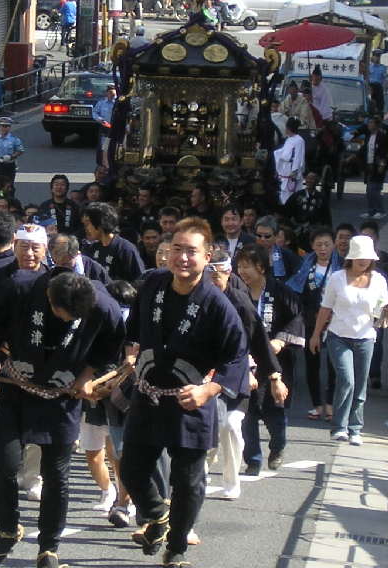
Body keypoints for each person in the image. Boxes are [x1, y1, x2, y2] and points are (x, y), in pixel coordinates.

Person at [0, 265, 125, 568]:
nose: (66, 320)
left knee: (57, 475)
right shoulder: (19, 287)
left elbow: (111, 346)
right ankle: (7, 529)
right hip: (17, 387)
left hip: (62, 396)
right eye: (61, 313)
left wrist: (87, 376)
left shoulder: (103, 304)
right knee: (4, 463)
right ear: (48, 297)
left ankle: (49, 547)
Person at [119, 217, 248, 567]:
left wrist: (210, 390)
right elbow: (133, 328)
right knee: (131, 467)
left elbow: (236, 357)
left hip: (190, 401)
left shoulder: (216, 304)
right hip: (147, 394)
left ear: (207, 257)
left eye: (192, 252)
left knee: (189, 482)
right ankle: (157, 517)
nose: (183, 258)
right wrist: (131, 353)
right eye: (177, 250)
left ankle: (176, 548)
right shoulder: (153, 284)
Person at [207, 248, 281, 499]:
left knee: (229, 425)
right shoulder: (197, 299)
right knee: (207, 427)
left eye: (216, 275)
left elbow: (258, 341)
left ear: (228, 272)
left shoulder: (240, 302)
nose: (211, 281)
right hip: (203, 374)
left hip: (237, 372)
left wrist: (271, 376)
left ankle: (231, 480)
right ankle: (199, 472)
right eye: (207, 276)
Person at [309, 236, 388, 446]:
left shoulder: (379, 280)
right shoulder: (337, 278)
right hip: (338, 336)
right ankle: (339, 426)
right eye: (359, 257)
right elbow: (325, 308)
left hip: (365, 337)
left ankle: (355, 428)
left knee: (360, 384)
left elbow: (381, 310)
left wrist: (387, 312)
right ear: (351, 257)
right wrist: (316, 334)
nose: (363, 261)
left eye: (367, 257)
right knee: (347, 380)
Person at [236, 245, 301, 476]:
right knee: (247, 413)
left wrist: (281, 341)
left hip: (276, 361)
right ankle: (253, 459)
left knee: (275, 411)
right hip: (246, 360)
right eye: (239, 266)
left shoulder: (280, 291)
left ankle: (278, 447)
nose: (242, 271)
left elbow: (296, 318)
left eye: (247, 266)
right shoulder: (237, 293)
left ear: (261, 268)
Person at [286, 227, 341, 422]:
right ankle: (317, 404)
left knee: (334, 364)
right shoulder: (305, 267)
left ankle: (331, 403)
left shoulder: (341, 267)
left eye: (327, 244)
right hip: (310, 321)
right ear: (312, 247)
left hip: (336, 321)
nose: (323, 248)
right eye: (319, 245)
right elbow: (297, 294)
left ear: (333, 245)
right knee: (312, 364)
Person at [359, 221, 388, 390]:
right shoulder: (354, 259)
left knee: (376, 339)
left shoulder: (384, 258)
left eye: (370, 236)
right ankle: (358, 375)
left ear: (377, 238)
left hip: (378, 307)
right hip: (358, 307)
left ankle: (374, 374)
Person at [82, 202, 145, 283]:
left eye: (88, 224)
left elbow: (140, 280)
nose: (86, 228)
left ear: (99, 224)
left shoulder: (125, 248)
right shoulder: (92, 248)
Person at [353, 115, 388, 219]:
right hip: (369, 166)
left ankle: (380, 211)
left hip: (378, 166)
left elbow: (385, 152)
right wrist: (354, 157)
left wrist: (382, 165)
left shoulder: (383, 137)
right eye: (369, 123)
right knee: (369, 190)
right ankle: (371, 211)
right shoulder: (369, 136)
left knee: (375, 189)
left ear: (377, 125)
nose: (369, 125)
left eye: (371, 123)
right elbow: (364, 149)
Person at [283, 171, 332, 248]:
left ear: (317, 181)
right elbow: (286, 212)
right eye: (308, 178)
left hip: (314, 231)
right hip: (298, 230)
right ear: (305, 180)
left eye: (313, 179)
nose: (310, 181)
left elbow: (326, 217)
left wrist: (328, 233)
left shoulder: (321, 198)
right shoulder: (297, 195)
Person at [254, 215, 301, 282]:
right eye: (259, 235)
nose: (262, 239)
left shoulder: (288, 255)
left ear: (276, 236)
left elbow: (299, 279)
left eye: (267, 236)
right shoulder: (249, 253)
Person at [274, 117, 305, 205]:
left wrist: (294, 171)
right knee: (283, 192)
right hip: (284, 168)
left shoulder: (299, 140)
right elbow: (282, 152)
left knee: (291, 194)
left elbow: (298, 156)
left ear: (289, 128)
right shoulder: (289, 139)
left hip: (291, 170)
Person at [0, 117, 25, 188]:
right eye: (2, 126)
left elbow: (20, 151)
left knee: (9, 185)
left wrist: (11, 157)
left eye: (6, 126)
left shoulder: (14, 139)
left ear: (9, 128)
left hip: (9, 165)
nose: (4, 128)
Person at [92, 85, 117, 170]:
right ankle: (104, 165)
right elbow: (95, 113)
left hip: (116, 129)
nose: (112, 95)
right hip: (105, 128)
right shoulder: (101, 103)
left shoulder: (118, 104)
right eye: (110, 93)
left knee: (115, 147)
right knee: (104, 147)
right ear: (107, 93)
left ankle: (113, 164)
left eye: (114, 93)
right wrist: (100, 120)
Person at [368, 51, 388, 116]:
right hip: (370, 87)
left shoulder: (382, 67)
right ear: (373, 57)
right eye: (376, 56)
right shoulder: (369, 67)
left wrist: (385, 90)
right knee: (369, 104)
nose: (377, 58)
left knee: (380, 105)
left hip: (378, 87)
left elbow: (385, 79)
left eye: (379, 57)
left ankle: (379, 118)